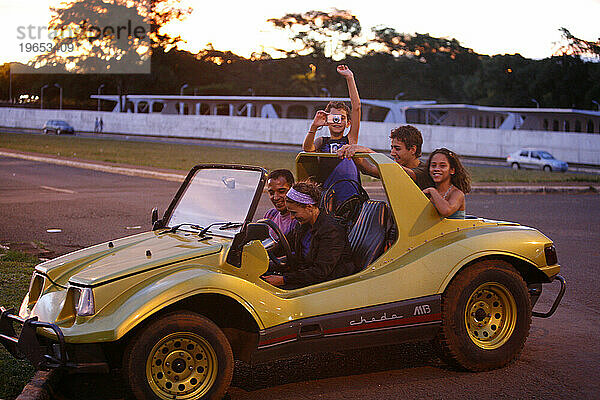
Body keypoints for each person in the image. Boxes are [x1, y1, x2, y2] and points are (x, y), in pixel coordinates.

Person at [262, 181, 358, 289]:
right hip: (309, 277)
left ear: (309, 207)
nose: (292, 217)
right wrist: (262, 256)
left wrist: (283, 280)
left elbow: (320, 272)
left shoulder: (331, 231)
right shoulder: (303, 225)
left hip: (329, 284)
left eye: (294, 212)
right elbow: (284, 245)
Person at [336, 125, 434, 190]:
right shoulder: (394, 169)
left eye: (397, 148)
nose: (392, 153)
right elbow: (368, 169)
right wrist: (353, 152)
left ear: (413, 149)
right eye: (392, 148)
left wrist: (369, 151)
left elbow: (400, 171)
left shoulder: (425, 171)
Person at [303, 65, 361, 153]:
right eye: (334, 118)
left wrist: (349, 77)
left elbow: (356, 107)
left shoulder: (350, 139)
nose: (338, 122)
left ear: (348, 123)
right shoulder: (322, 141)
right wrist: (314, 126)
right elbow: (307, 148)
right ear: (327, 119)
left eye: (342, 118)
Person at [422, 148, 471, 219]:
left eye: (442, 166)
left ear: (452, 170)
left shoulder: (457, 194)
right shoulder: (427, 191)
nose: (436, 169)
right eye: (433, 165)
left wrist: (432, 191)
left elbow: (446, 211)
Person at [263, 169, 298, 238]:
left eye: (281, 191)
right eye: (271, 193)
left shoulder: (298, 219)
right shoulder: (270, 215)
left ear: (292, 190)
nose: (276, 198)